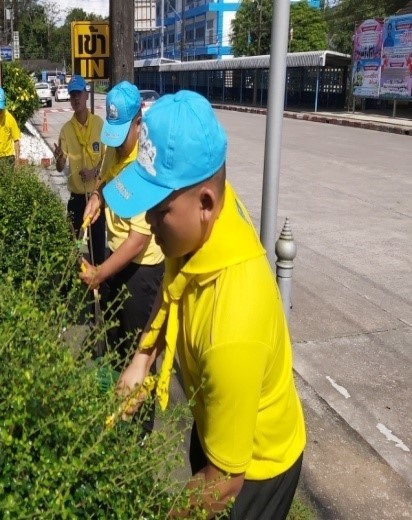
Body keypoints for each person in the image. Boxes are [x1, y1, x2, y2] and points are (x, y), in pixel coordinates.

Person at [103, 90, 306, 519]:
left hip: (255, 470)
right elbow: (171, 289)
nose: (148, 221)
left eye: (158, 209)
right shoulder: (197, 228)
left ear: (206, 204)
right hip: (217, 419)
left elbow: (225, 480)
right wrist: (142, 359)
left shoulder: (232, 326)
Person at [79, 81, 164, 369]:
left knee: (138, 355)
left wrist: (99, 273)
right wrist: (96, 197)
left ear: (139, 122)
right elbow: (104, 180)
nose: (115, 142)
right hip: (116, 256)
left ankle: (139, 401)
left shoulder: (145, 165)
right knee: (115, 343)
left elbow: (138, 240)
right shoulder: (114, 148)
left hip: (142, 269)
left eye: (122, 133)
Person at [53, 75, 106, 266]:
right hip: (76, 200)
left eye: (79, 94)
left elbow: (106, 159)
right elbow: (60, 167)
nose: (76, 98)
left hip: (96, 199)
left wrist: (94, 172)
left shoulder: (99, 124)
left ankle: (99, 281)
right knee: (74, 247)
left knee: (97, 248)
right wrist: (59, 158)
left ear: (86, 94)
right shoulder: (66, 130)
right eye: (73, 95)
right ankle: (75, 278)